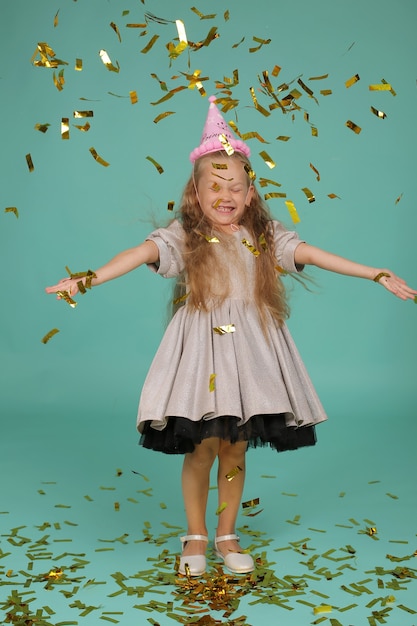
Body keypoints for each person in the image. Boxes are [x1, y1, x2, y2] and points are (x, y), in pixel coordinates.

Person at [46, 96, 416, 578]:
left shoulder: (263, 234)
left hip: (252, 353)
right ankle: (195, 535)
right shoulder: (185, 235)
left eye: (236, 188)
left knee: (236, 447)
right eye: (215, 187)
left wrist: (373, 273)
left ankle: (227, 533)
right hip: (203, 353)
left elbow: (314, 254)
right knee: (202, 445)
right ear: (196, 195)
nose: (226, 196)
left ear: (250, 193)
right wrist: (87, 278)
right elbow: (138, 254)